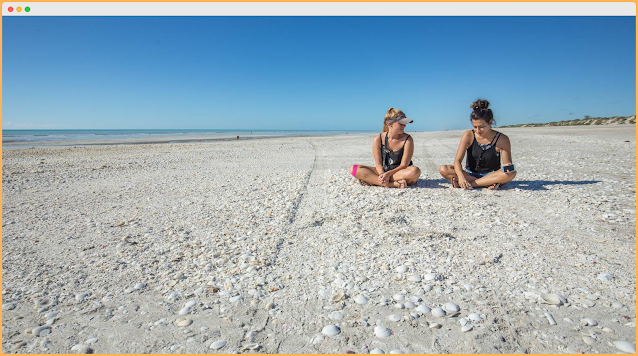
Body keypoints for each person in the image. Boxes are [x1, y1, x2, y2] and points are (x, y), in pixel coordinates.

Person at [439, 99, 516, 190]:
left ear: (490, 122)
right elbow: (457, 161)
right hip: (470, 174)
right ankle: (486, 183)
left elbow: (507, 164)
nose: (478, 130)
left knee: (511, 173)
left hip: (492, 174)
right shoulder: (468, 135)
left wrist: (508, 166)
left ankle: (472, 184)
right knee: (444, 169)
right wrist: (461, 177)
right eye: (475, 127)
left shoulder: (502, 139)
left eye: (481, 127)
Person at [349, 108, 421, 188]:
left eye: (405, 123)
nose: (404, 126)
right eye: (401, 123)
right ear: (390, 124)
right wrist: (382, 174)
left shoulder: (408, 139)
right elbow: (379, 164)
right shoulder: (379, 139)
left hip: (399, 171)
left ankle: (373, 181)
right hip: (382, 171)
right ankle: (391, 184)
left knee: (415, 171)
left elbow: (403, 165)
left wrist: (388, 174)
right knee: (354, 169)